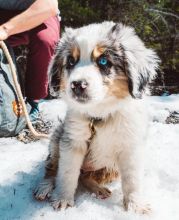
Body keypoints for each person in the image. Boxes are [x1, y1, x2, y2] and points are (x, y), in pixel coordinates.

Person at [0, 0, 60, 120]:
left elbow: (49, 5)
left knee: (45, 40)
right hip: (3, 13)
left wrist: (6, 29)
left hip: (39, 12)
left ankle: (34, 101)